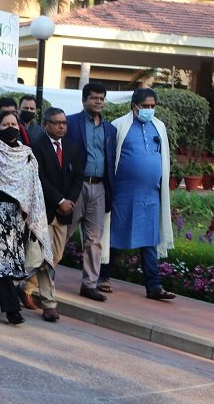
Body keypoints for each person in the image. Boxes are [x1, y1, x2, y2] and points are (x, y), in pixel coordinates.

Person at [0, 110, 50, 325]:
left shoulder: (27, 154)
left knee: (6, 262)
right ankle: (12, 310)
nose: (11, 128)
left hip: (17, 218)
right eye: (6, 124)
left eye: (14, 124)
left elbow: (33, 186)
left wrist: (31, 215)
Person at [109, 88, 175, 301]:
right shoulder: (119, 126)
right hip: (123, 194)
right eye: (145, 106)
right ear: (133, 106)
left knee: (150, 240)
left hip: (150, 195)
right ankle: (102, 277)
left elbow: (163, 157)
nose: (149, 110)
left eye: (152, 106)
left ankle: (154, 286)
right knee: (115, 236)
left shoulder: (160, 127)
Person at [25, 107, 84, 321]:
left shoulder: (73, 147)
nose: (62, 126)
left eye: (64, 123)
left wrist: (70, 201)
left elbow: (78, 177)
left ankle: (22, 284)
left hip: (65, 212)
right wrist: (59, 200)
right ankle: (49, 304)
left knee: (56, 255)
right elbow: (39, 179)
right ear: (46, 124)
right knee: (48, 258)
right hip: (44, 210)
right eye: (57, 123)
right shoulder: (35, 148)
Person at [65, 83, 117, 301]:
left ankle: (89, 284)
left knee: (94, 239)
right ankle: (39, 277)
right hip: (76, 187)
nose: (98, 102)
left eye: (101, 98)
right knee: (62, 234)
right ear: (84, 100)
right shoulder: (70, 122)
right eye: (94, 98)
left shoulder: (110, 129)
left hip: (99, 187)